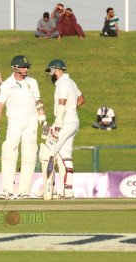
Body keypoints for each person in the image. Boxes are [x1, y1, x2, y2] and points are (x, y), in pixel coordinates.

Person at [0, 55, 48, 199]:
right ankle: (7, 190)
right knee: (9, 153)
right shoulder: (7, 84)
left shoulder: (33, 82)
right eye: (22, 67)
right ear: (14, 68)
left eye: (26, 67)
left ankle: (24, 191)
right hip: (14, 121)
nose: (25, 69)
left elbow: (38, 102)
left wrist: (43, 121)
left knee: (30, 155)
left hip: (31, 121)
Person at [42, 59, 85, 199]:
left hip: (64, 122)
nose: (51, 75)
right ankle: (68, 190)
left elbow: (62, 103)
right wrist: (71, 110)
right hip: (74, 121)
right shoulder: (71, 82)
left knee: (48, 150)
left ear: (56, 70)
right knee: (66, 155)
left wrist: (59, 123)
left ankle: (48, 188)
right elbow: (81, 99)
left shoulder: (62, 83)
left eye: (51, 71)